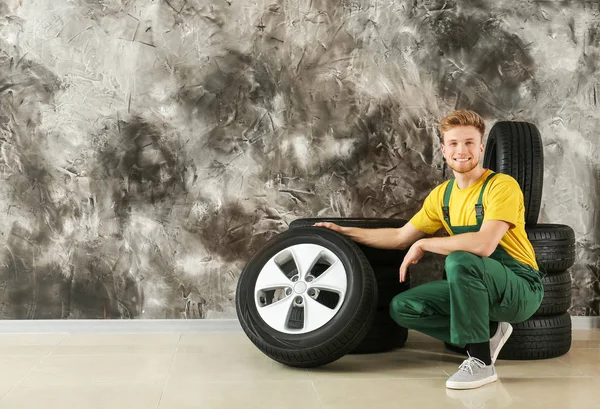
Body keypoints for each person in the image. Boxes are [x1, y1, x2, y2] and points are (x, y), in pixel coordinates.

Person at [314, 110, 544, 390]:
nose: (462, 150)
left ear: (482, 147)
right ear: (444, 149)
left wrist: (425, 243)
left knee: (460, 260)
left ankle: (481, 362)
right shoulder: (442, 196)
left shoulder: (501, 186)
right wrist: (344, 233)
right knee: (404, 308)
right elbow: (400, 237)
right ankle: (490, 333)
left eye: (470, 142)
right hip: (476, 286)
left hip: (519, 287)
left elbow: (484, 244)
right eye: (454, 143)